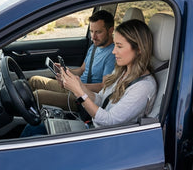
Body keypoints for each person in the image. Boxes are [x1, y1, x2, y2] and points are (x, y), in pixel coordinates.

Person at [21, 19, 157, 136]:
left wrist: (79, 92)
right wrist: (77, 85)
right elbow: (99, 100)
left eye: (119, 46)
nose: (114, 51)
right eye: (115, 45)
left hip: (102, 138)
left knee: (33, 132)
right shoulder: (122, 72)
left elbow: (109, 122)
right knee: (32, 128)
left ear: (139, 49)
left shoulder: (143, 87)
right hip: (92, 127)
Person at [29, 10, 116, 111]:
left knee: (38, 96)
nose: (93, 37)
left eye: (98, 32)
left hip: (85, 97)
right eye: (92, 31)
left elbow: (103, 87)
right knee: (34, 80)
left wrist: (76, 86)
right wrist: (66, 70)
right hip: (76, 87)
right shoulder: (95, 47)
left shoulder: (113, 55)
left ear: (110, 31)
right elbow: (82, 70)